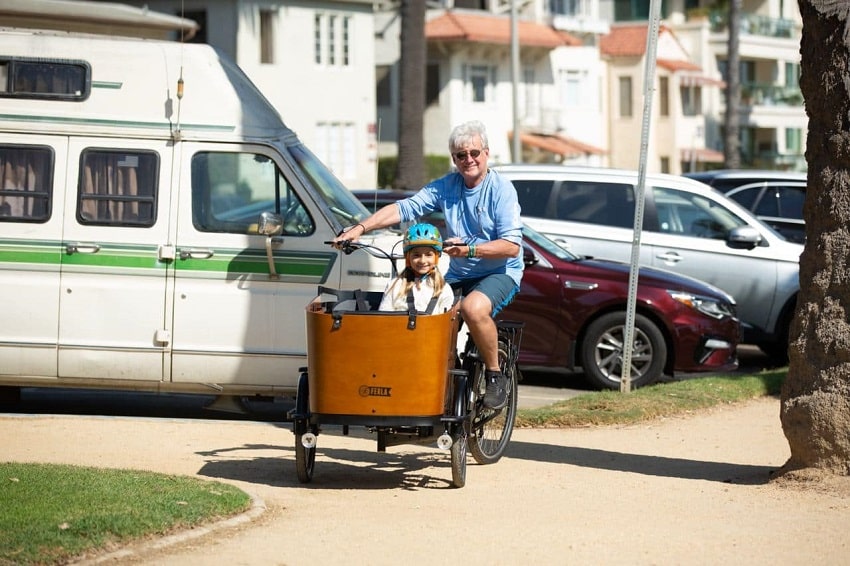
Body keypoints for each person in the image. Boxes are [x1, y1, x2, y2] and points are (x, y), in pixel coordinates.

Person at [335, 120, 523, 409]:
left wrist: (470, 249)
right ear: (454, 159)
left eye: (474, 153)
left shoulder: (501, 189)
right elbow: (404, 208)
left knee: (472, 308)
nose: (468, 160)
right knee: (421, 312)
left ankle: (495, 374)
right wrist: (359, 229)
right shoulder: (446, 186)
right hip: (459, 271)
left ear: (486, 153)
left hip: (500, 270)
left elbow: (511, 247)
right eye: (461, 155)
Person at [379, 222, 455, 314]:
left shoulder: (444, 289)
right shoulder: (394, 285)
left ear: (436, 256)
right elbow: (383, 319)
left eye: (428, 255)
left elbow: (445, 324)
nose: (422, 260)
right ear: (408, 257)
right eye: (416, 255)